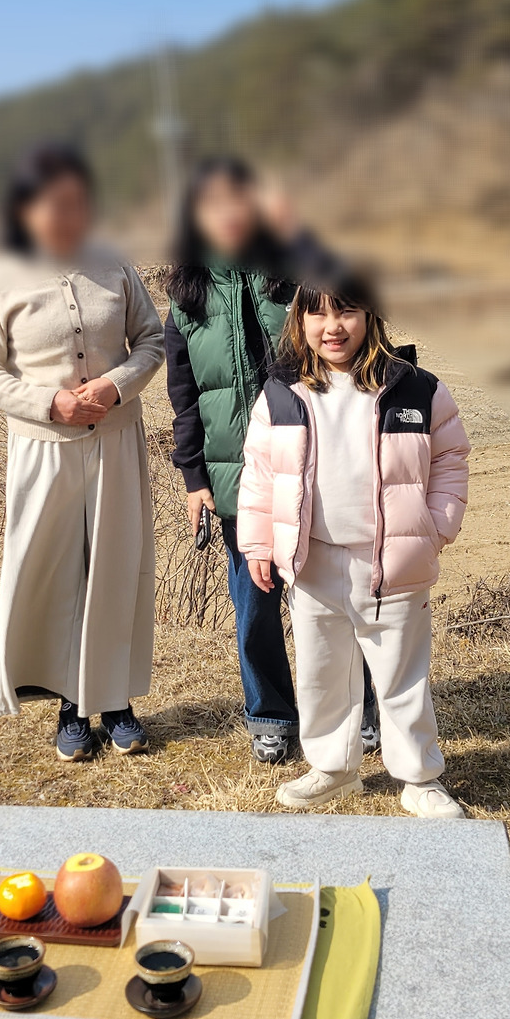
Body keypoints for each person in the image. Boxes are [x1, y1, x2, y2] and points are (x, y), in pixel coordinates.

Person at [163, 158, 378, 765]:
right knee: (254, 607)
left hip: (315, 464)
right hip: (238, 475)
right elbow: (184, 396)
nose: (228, 215)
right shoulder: (187, 295)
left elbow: (346, 328)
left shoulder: (295, 272)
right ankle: (271, 714)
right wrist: (195, 478)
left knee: (334, 598)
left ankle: (357, 708)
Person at [236, 278, 471, 816]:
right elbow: (260, 472)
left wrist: (435, 527)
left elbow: (451, 459)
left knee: (400, 674)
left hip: (391, 562)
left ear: (370, 316)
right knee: (322, 671)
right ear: (299, 320)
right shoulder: (281, 392)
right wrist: (259, 544)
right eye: (318, 314)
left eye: (346, 311)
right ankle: (333, 769)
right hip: (313, 560)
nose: (332, 327)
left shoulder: (416, 389)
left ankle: (419, 778)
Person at [0, 143, 165, 762]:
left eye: (78, 201)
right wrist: (50, 402)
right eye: (53, 203)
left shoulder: (115, 265)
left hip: (117, 442)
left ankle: (117, 702)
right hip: (41, 450)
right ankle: (72, 707)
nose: (67, 215)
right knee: (55, 576)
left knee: (115, 569)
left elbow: (152, 340)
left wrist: (115, 385)